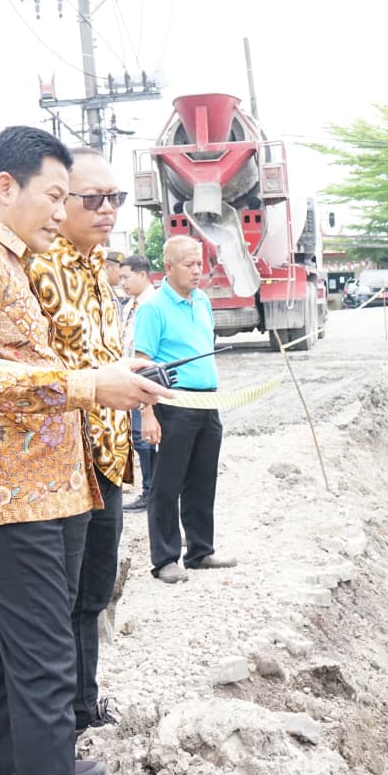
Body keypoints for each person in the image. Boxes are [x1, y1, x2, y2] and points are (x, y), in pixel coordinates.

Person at [0, 126, 169, 775]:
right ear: (5, 186)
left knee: (2, 657)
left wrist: (104, 377)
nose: (62, 209)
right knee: (47, 667)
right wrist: (88, 387)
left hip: (41, 488)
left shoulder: (9, 258)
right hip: (6, 498)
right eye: (55, 195)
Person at [24, 149, 133, 741]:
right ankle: (56, 726)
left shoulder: (98, 268)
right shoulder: (38, 269)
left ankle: (84, 704)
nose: (108, 210)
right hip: (61, 465)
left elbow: (99, 358)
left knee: (92, 594)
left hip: (107, 454)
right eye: (93, 199)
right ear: (60, 203)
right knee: (56, 605)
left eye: (114, 198)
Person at [135, 235, 237, 583]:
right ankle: (165, 558)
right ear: (169, 267)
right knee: (167, 483)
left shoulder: (202, 301)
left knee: (203, 478)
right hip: (173, 405)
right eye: (190, 265)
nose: (198, 271)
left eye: (200, 264)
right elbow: (142, 365)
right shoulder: (152, 307)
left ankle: (200, 551)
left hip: (208, 402)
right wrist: (147, 413)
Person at [119, 254, 157, 513]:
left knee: (147, 439)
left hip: (146, 379)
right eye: (120, 277)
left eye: (126, 277)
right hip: (129, 377)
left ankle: (151, 491)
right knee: (138, 438)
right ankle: (149, 490)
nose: (122, 282)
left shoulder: (153, 304)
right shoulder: (129, 305)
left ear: (142, 275)